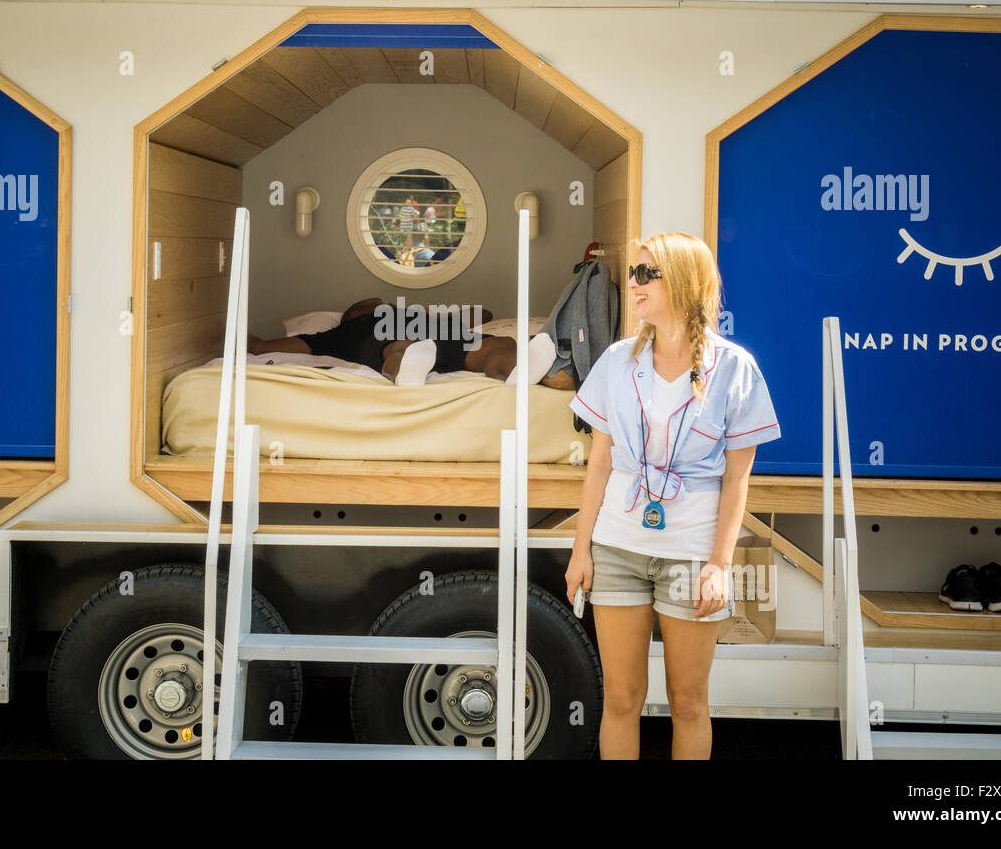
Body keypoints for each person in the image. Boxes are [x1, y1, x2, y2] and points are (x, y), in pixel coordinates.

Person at [562, 232, 780, 760]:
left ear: (683, 283)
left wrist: (720, 564)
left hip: (691, 554)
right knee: (620, 699)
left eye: (644, 274)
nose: (631, 285)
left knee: (687, 702)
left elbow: (737, 480)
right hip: (617, 548)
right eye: (632, 272)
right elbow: (599, 466)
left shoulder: (734, 367)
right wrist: (580, 549)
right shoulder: (616, 362)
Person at [247, 297, 557, 387]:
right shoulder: (345, 330)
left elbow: (485, 311)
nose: (378, 304)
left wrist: (426, 312)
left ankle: (519, 371)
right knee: (402, 347)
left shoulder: (415, 315)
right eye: (371, 303)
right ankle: (406, 372)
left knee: (497, 344)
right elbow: (264, 347)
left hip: (438, 334)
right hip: (401, 339)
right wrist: (247, 340)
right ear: (353, 314)